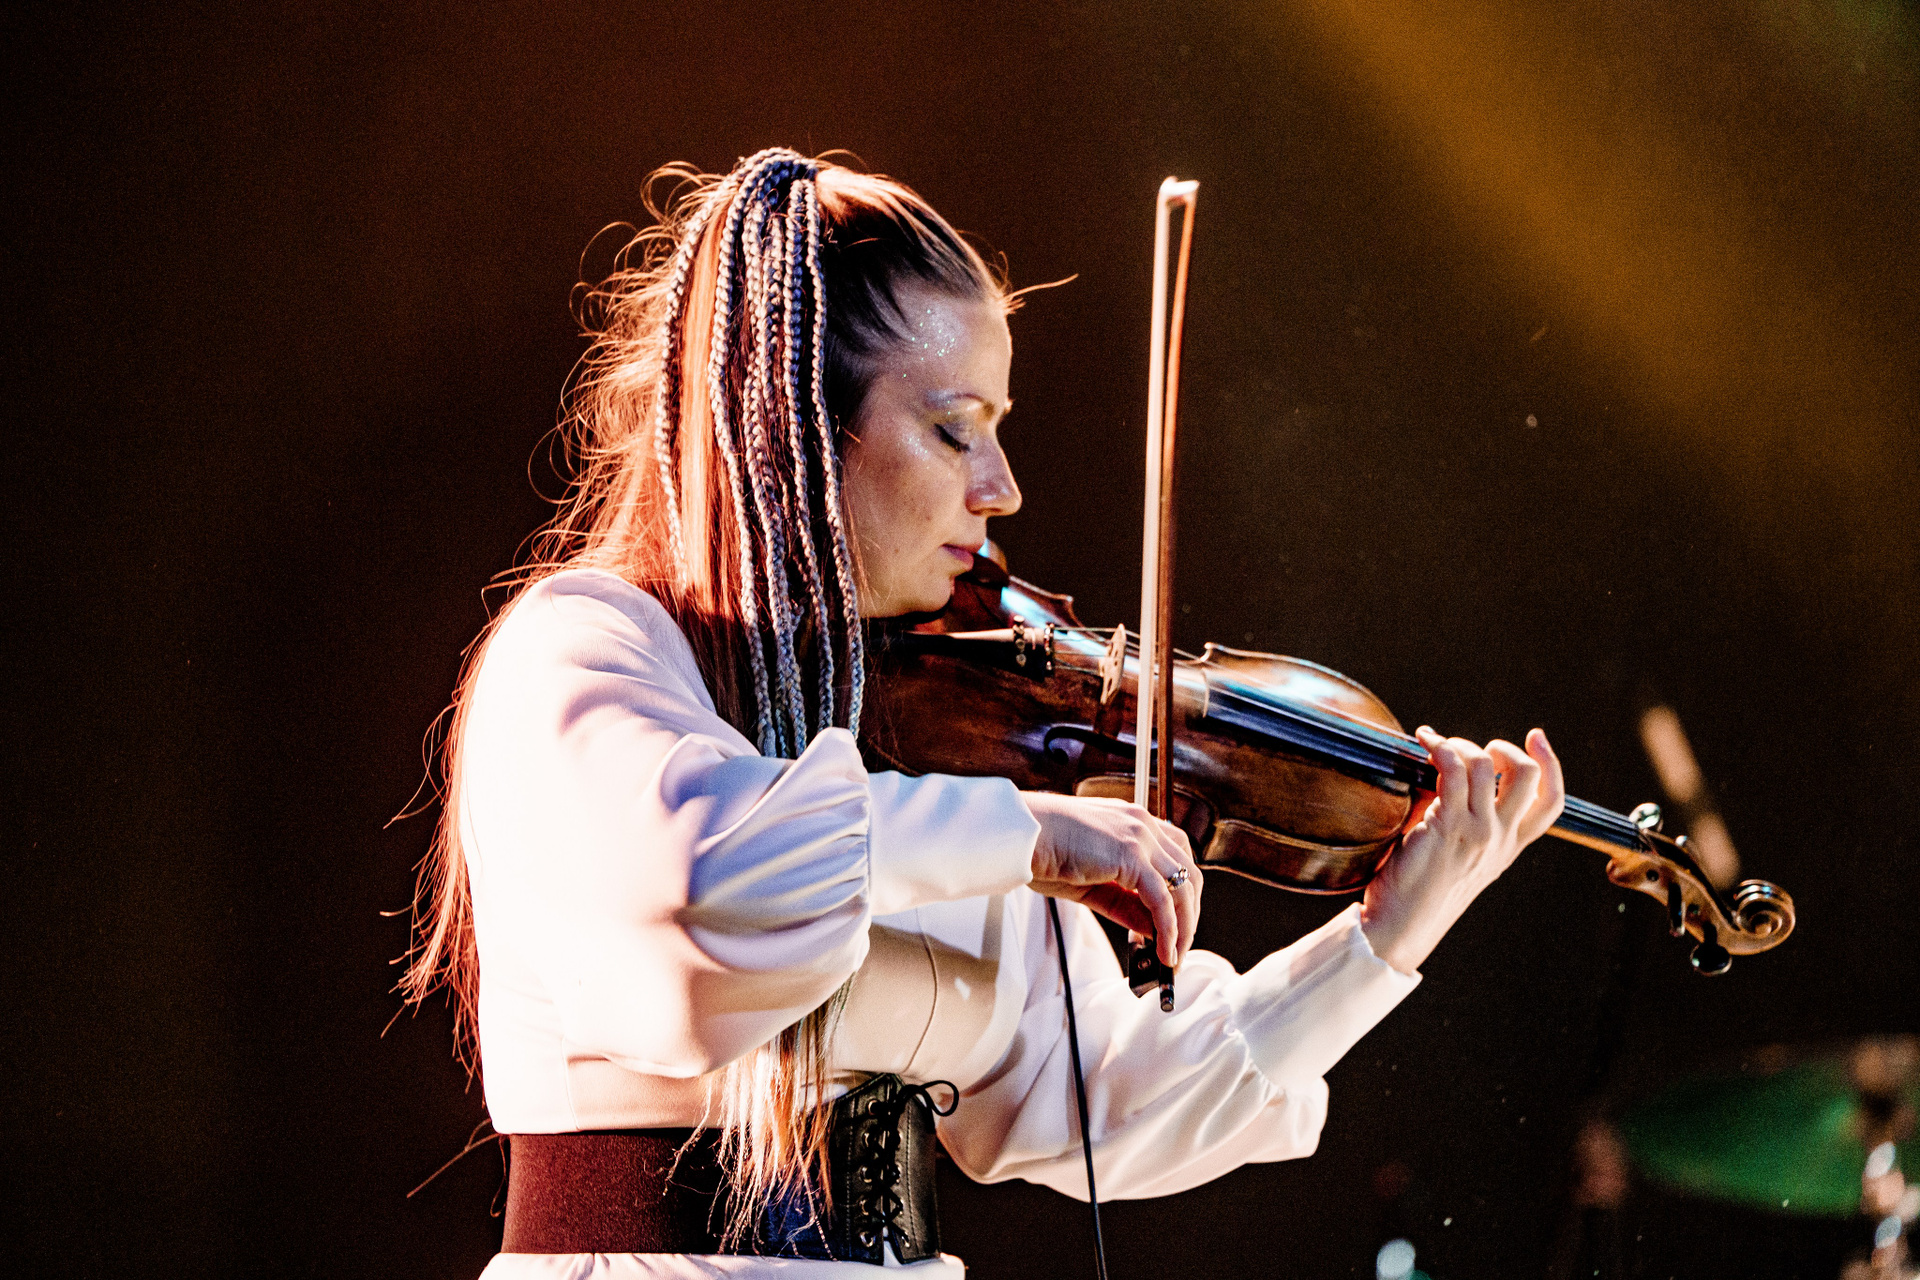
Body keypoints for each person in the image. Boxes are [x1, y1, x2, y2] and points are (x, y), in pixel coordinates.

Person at [402, 148, 1567, 1278]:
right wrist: (1036, 832)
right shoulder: (585, 651)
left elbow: (1110, 1095)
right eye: (956, 428)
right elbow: (698, 883)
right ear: (789, 426)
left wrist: (1386, 935)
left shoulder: (931, 741)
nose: (1001, 486)